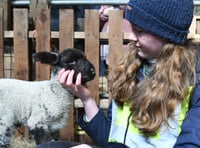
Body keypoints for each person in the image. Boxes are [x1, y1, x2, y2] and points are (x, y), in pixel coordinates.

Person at [37, 0, 200, 147]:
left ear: (166, 34)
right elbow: (109, 139)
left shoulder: (194, 79)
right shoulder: (132, 68)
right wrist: (85, 98)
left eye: (140, 31)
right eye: (132, 28)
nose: (131, 36)